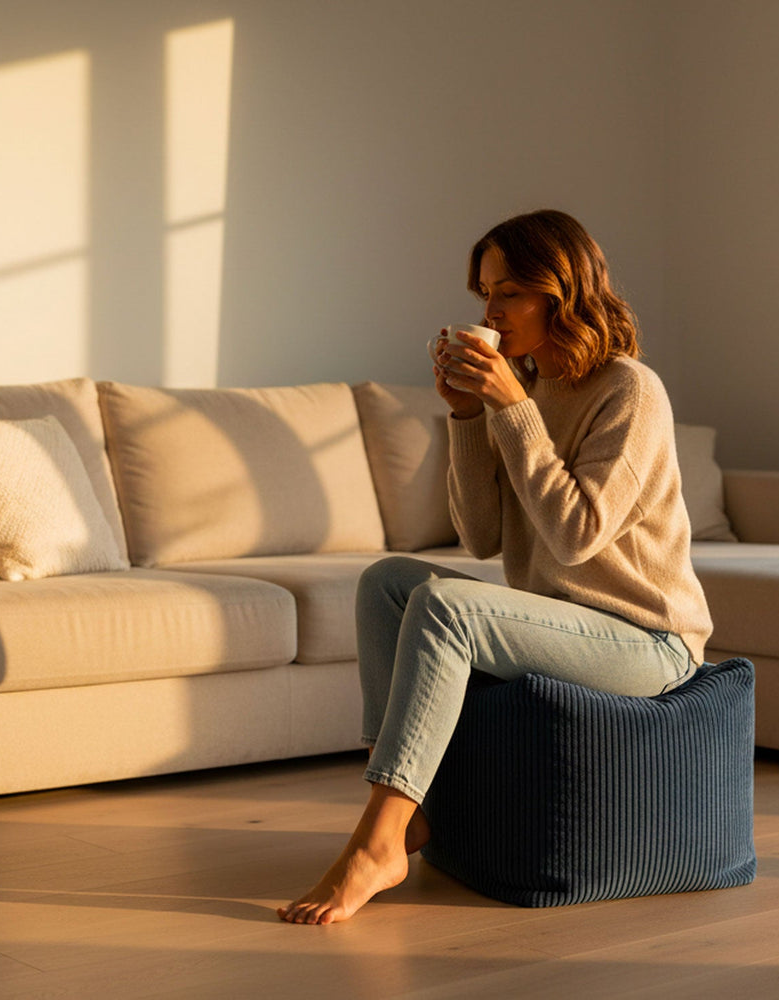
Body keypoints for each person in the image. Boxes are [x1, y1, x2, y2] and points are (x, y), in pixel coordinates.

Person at [277, 209, 714, 925]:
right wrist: (469, 418)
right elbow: (480, 539)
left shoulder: (630, 390)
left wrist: (512, 408)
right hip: (568, 622)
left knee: (449, 609)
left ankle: (379, 840)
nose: (490, 312)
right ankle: (409, 818)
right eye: (485, 293)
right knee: (389, 582)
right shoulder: (530, 388)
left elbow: (577, 536)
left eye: (509, 292)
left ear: (559, 292)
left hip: (647, 640)